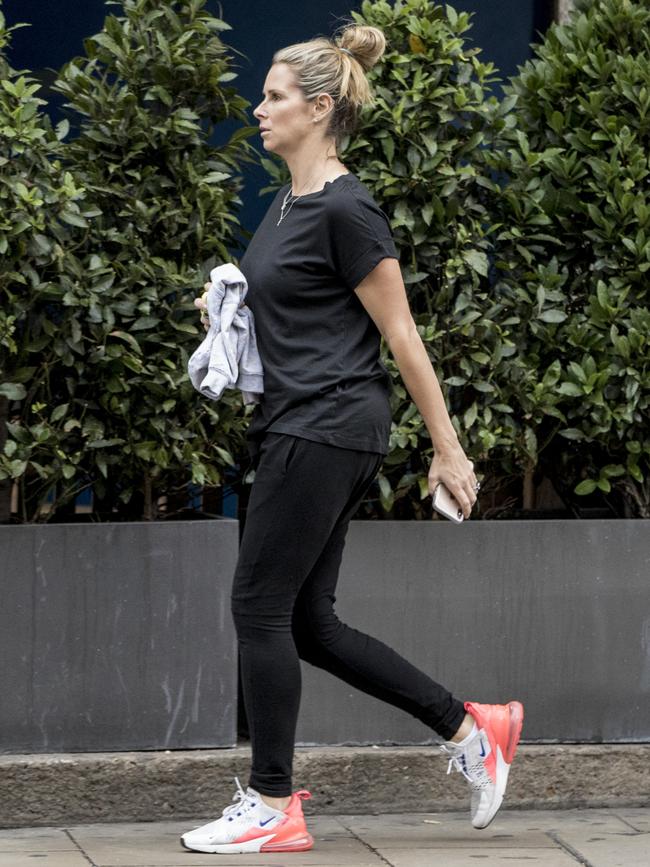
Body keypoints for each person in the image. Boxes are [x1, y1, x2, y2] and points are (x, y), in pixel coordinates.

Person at [181, 23, 523, 856]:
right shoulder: (289, 201)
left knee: (258, 606)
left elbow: (402, 334)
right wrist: (223, 310)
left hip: (328, 422)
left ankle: (272, 803)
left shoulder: (346, 206)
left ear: (320, 107)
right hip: (305, 418)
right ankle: (473, 726)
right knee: (306, 623)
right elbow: (297, 308)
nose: (259, 110)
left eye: (274, 97)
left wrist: (450, 450)